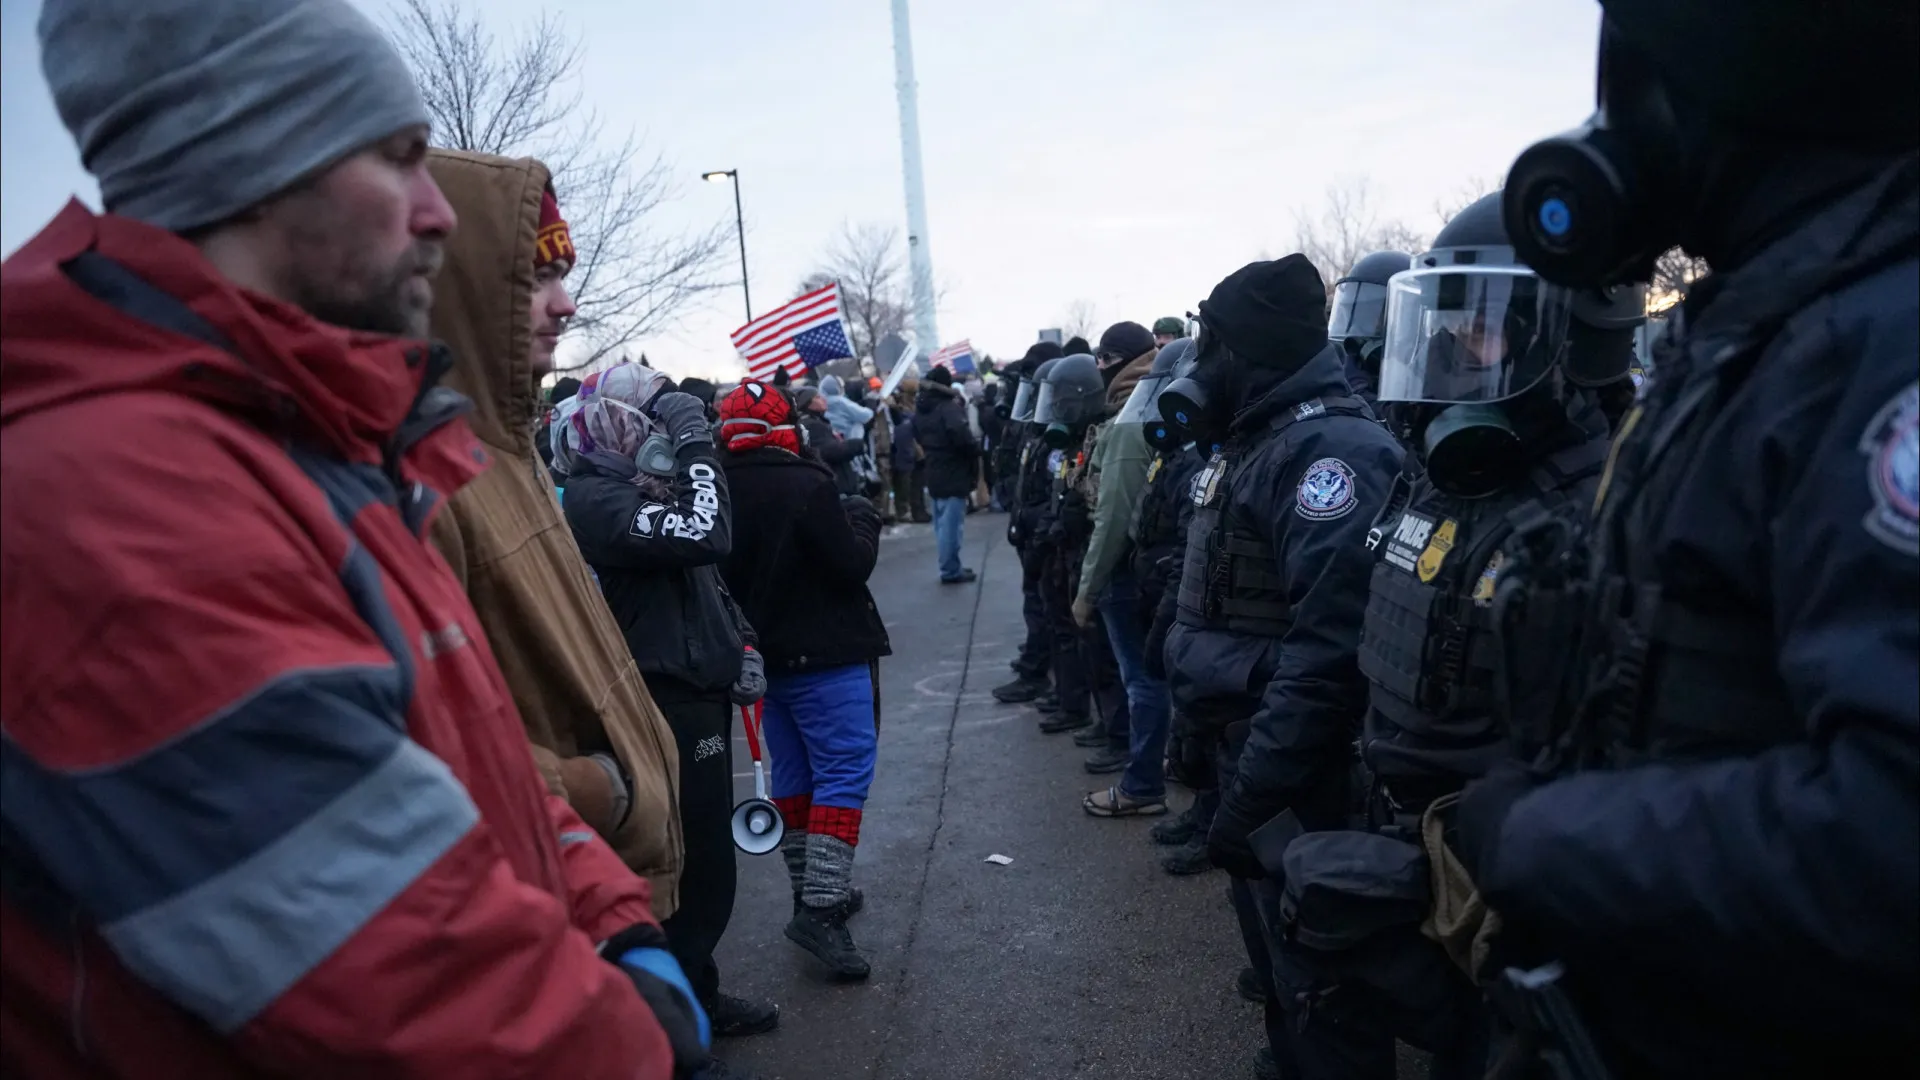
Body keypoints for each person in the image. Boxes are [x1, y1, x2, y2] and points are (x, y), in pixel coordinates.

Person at [1, 0, 707, 1075]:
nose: (438, 215)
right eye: (396, 160)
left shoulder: (318, 445)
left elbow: (473, 782)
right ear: (254, 161)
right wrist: (628, 1043)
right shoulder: (119, 497)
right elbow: (403, 982)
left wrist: (616, 921)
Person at [1452, 3, 1919, 1075]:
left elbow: (1895, 840)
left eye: (1635, 89)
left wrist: (1545, 840)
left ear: (1736, 85)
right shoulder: (1785, 323)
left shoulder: (1880, 348)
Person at [1277, 193, 1644, 1080]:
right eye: (1437, 328)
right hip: (1424, 857)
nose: (1448, 355)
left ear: (1575, 338)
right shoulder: (1456, 482)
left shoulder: (1615, 516)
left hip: (1518, 890)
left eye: (1478, 332)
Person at [423, 150, 687, 929]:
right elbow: (430, 759)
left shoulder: (510, 454)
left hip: (601, 890)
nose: (566, 305)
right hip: (545, 911)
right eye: (534, 279)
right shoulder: (431, 485)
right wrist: (607, 788)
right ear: (461, 288)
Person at [1156, 256, 1405, 1078]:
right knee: (1276, 966)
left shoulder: (1332, 453)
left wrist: (1255, 790)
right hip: (1252, 752)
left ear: (1250, 350)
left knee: (1325, 981)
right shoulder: (1260, 441)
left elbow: (1327, 655)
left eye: (1213, 344)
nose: (1201, 363)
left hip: (1306, 774)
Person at [552, 362, 781, 1064]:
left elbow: (704, 575)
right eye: (644, 424)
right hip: (660, 698)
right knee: (688, 865)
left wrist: (739, 639)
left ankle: (698, 997)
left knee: (708, 863)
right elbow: (701, 534)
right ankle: (677, 1030)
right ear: (610, 431)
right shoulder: (594, 498)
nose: (656, 436)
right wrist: (696, 447)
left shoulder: (639, 487)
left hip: (698, 690)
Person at [714, 380, 890, 982]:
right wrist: (862, 518)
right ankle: (820, 906)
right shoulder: (806, 482)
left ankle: (814, 892)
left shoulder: (714, 486)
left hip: (762, 660)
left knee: (794, 777)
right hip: (826, 654)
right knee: (843, 771)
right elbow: (851, 565)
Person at [1073, 322, 1173, 810]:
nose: (1098, 368)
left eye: (1104, 358)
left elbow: (1112, 518)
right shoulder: (1151, 402)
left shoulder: (1132, 420)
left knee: (1143, 680)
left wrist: (1086, 591)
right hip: (1154, 568)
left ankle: (1142, 785)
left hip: (1128, 573)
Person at [992, 345, 1068, 705]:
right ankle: (1044, 671)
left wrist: (1035, 525)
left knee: (1049, 610)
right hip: (1030, 527)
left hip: (1045, 534)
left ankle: (1041, 674)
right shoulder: (1033, 427)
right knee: (1039, 605)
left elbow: (1055, 491)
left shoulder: (1058, 430)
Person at [915, 364, 982, 583]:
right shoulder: (948, 407)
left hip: (933, 468)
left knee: (941, 524)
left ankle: (950, 565)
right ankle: (950, 568)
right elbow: (961, 436)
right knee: (952, 527)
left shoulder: (922, 409)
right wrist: (974, 450)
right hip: (953, 469)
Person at [1324, 250, 1412, 413]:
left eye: (1370, 314)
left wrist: (1359, 394)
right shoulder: (1342, 371)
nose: (1355, 333)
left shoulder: (1419, 384)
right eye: (1355, 315)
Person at [888, 384, 930, 523]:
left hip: (914, 450)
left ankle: (919, 510)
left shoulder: (913, 408)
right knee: (906, 484)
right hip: (906, 450)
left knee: (917, 483)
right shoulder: (898, 410)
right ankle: (908, 511)